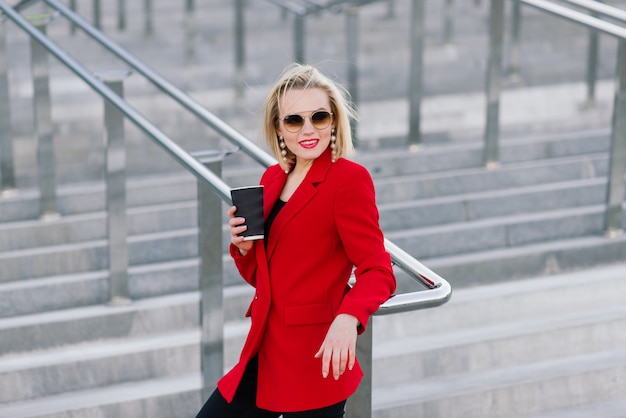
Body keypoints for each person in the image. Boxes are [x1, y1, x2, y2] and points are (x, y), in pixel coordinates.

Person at [196, 63, 396, 418]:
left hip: (315, 359)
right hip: (263, 353)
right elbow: (267, 278)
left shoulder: (348, 180)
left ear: (333, 121)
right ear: (278, 128)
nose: (308, 130)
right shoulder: (272, 177)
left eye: (319, 117)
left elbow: (378, 268)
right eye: (294, 120)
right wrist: (244, 249)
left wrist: (349, 317)